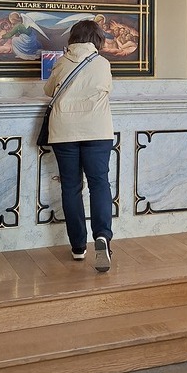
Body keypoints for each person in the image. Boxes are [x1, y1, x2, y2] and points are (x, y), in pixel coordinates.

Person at [43, 18, 114, 272]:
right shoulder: (102, 63)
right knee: (99, 184)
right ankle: (102, 236)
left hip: (64, 132)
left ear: (73, 38)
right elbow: (107, 89)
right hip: (97, 131)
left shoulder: (62, 62)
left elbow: (48, 90)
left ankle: (77, 247)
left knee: (71, 187)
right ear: (97, 39)